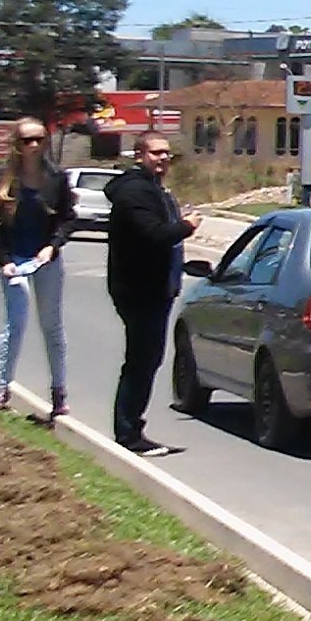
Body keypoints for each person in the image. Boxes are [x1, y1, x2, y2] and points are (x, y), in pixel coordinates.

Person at [104, 133, 201, 455]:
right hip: (139, 290)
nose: (162, 159)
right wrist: (186, 226)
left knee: (147, 360)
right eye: (156, 153)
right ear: (139, 155)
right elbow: (153, 234)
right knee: (141, 361)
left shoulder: (153, 190)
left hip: (156, 289)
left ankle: (132, 427)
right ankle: (129, 432)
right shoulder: (135, 192)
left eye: (167, 154)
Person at [0, 120, 75, 418]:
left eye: (38, 139)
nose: (33, 146)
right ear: (16, 145)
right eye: (26, 141)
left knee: (52, 326)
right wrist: (5, 261)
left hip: (45, 259)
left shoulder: (56, 178)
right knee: (15, 324)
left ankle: (59, 393)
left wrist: (53, 246)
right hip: (16, 261)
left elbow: (67, 219)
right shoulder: (3, 177)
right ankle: (1, 388)